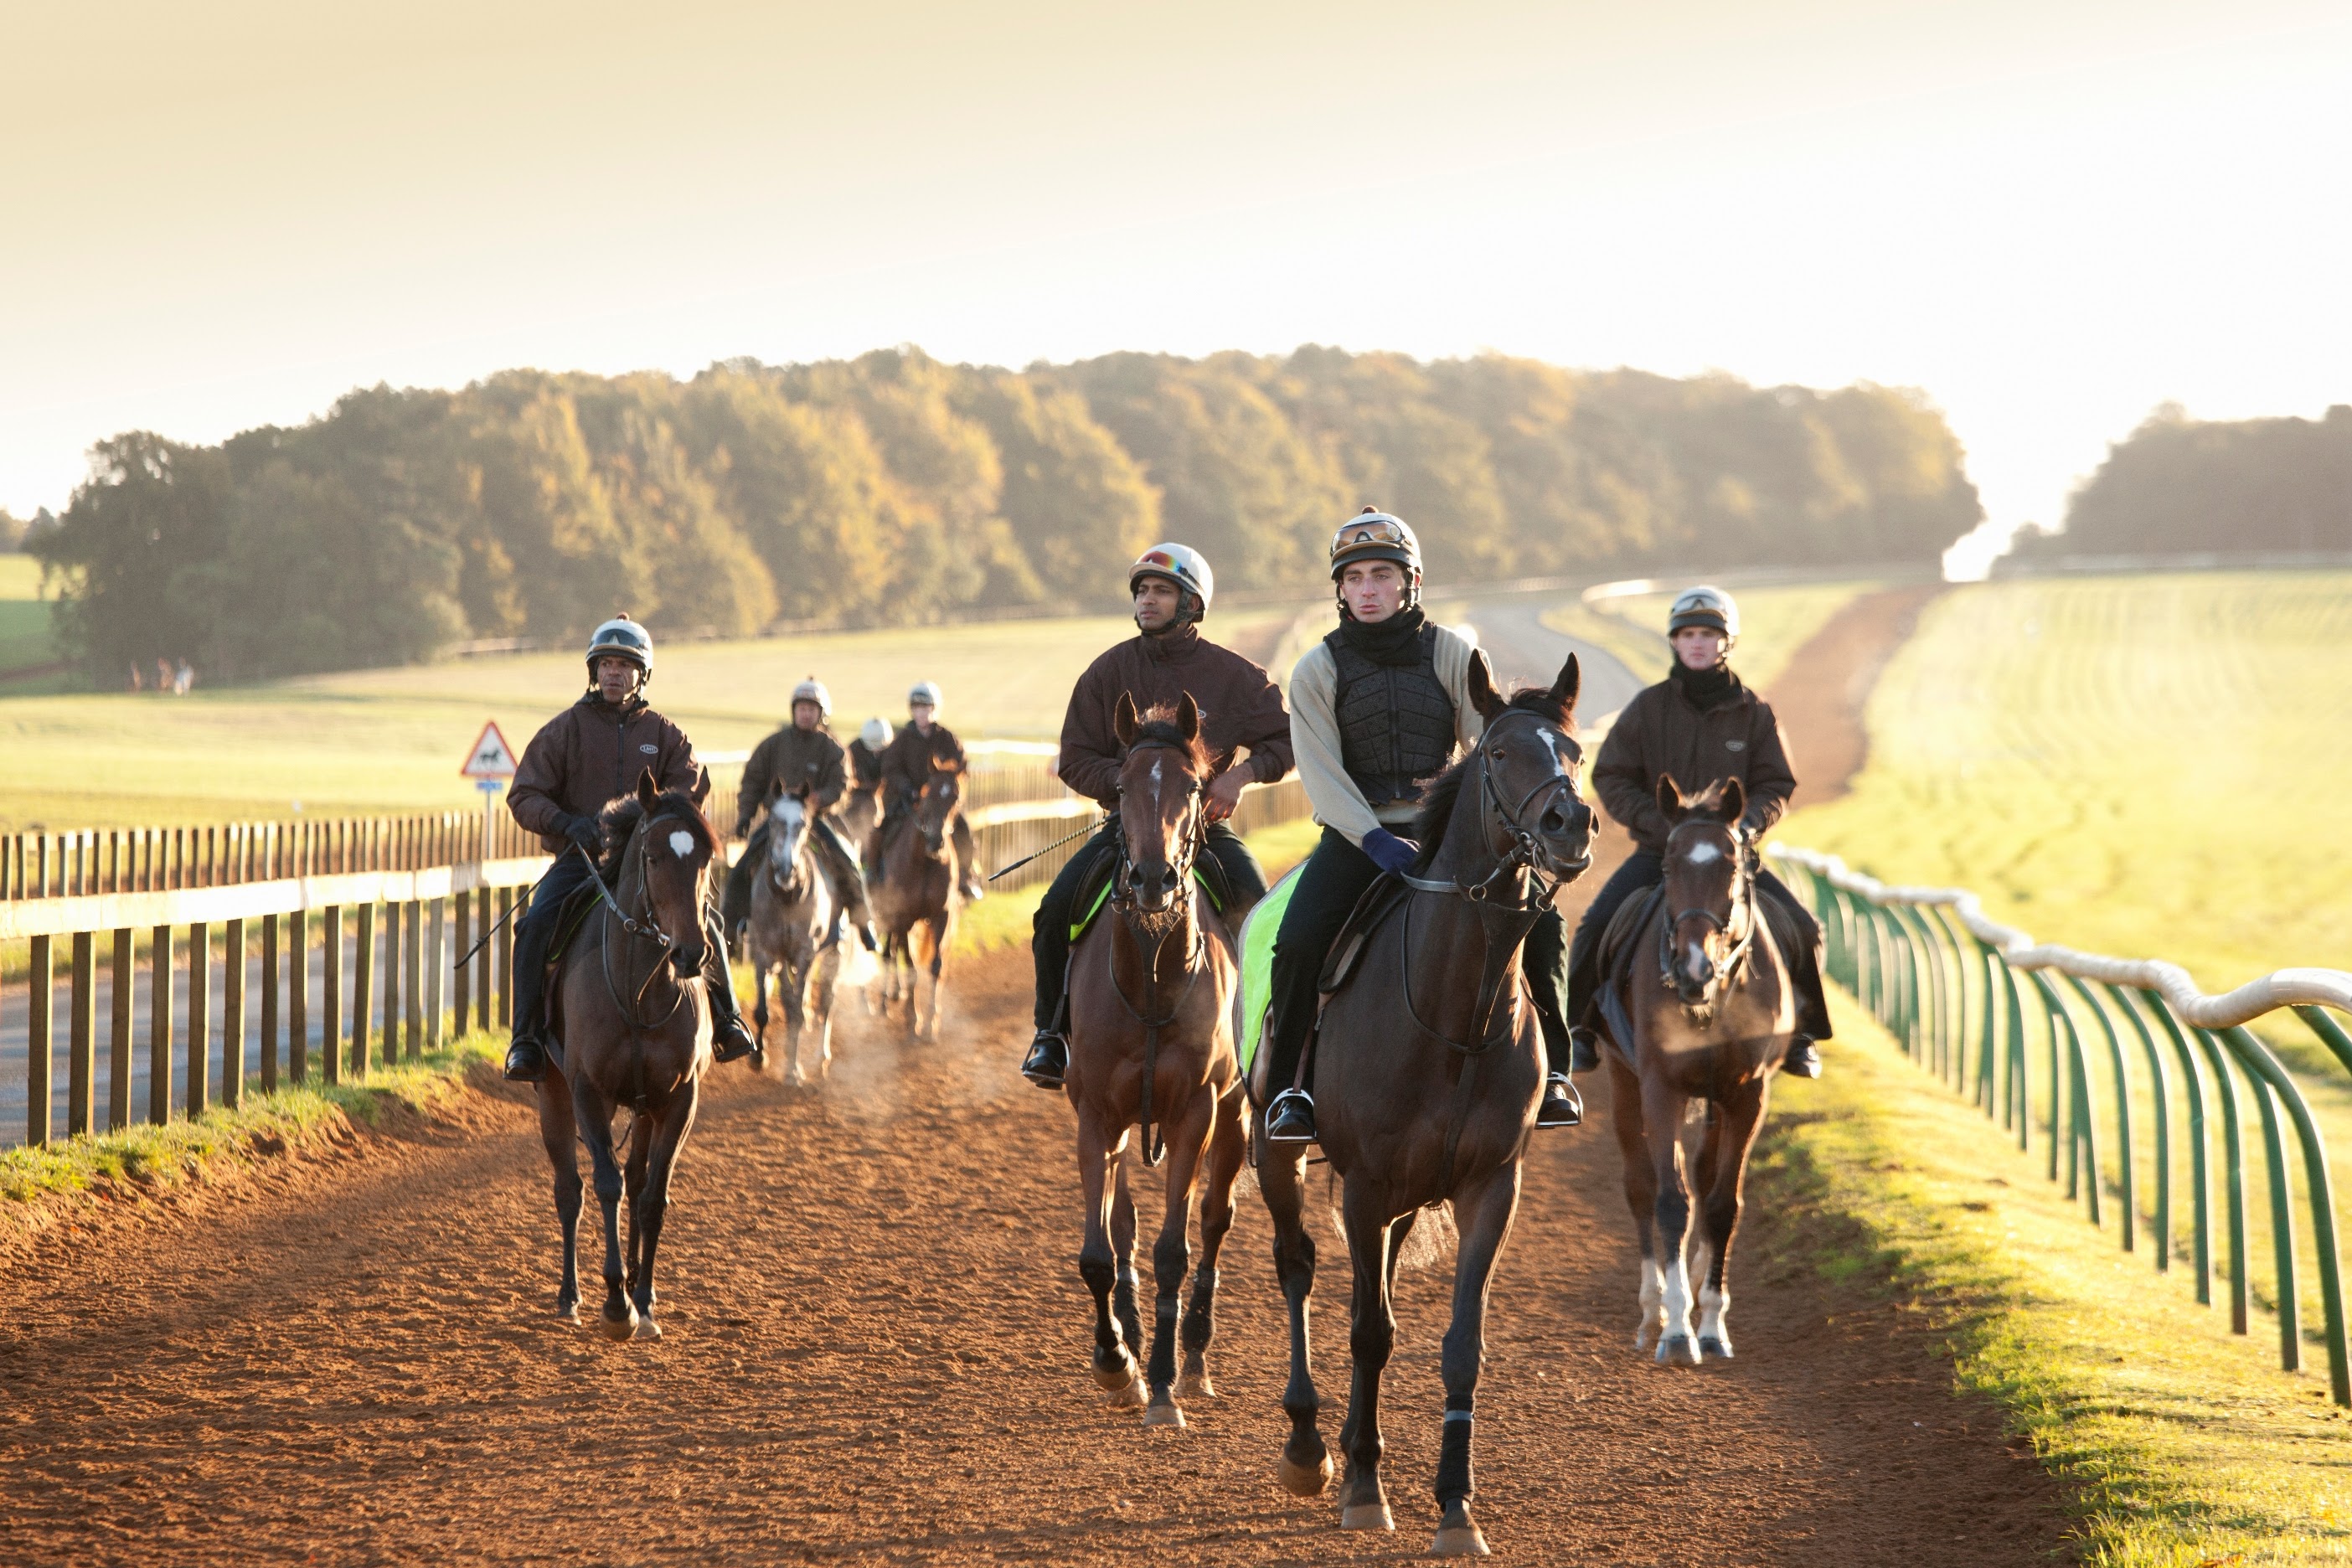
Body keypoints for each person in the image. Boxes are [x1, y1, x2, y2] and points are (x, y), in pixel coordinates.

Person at [1261, 508, 1583, 1143]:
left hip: (1450, 836)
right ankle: (1289, 1092)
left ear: (1411, 582)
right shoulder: (1315, 671)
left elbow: (1487, 747)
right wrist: (1375, 838)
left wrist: (1491, 828)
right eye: (1354, 579)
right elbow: (1320, 772)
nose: (1369, 590)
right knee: (1297, 942)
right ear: (1341, 590)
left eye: (1383, 575)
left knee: (1544, 925)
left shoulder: (1454, 653)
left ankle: (1556, 1077)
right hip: (1361, 839)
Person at [1019, 544, 1295, 1090]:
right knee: (1052, 914)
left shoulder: (1235, 677)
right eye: (1142, 590)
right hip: (1125, 835)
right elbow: (1075, 758)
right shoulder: (1107, 672)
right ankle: (1050, 1036)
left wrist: (1238, 778)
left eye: (1161, 591)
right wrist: (1129, 789)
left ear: (1192, 603)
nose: (1147, 600)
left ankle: (1270, 1044)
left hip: (1207, 834)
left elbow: (1287, 740)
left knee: (1263, 926)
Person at [1562, 585, 1830, 1078]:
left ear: (1726, 642)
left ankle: (1803, 1034)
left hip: (1731, 859)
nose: (1698, 643)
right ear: (1675, 642)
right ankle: (1579, 1032)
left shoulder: (1755, 712)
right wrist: (1659, 825)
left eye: (1709, 634)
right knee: (1593, 928)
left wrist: (1744, 830)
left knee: (1805, 929)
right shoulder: (1647, 708)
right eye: (1687, 634)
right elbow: (1611, 775)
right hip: (1660, 855)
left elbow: (1776, 783)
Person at [502, 614, 759, 1082]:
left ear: (642, 675)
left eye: (624, 665)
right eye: (605, 665)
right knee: (536, 924)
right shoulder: (565, 730)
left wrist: (657, 816)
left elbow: (690, 786)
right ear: (593, 672)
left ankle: (727, 1020)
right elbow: (523, 795)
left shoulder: (664, 735)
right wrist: (563, 822)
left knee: (709, 922)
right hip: (582, 862)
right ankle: (525, 1040)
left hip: (652, 865)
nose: (614, 673)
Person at [722, 676, 876, 952]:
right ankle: (732, 928)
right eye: (801, 708)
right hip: (778, 821)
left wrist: (820, 799)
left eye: (811, 709)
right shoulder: (772, 744)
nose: (805, 714)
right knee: (742, 866)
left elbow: (842, 785)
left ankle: (864, 924)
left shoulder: (833, 749)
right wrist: (746, 815)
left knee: (848, 863)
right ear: (793, 711)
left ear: (821, 714)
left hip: (816, 820)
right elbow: (752, 781)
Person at [871, 681, 985, 903]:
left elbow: (961, 769)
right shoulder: (903, 739)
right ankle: (875, 874)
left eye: (926, 707)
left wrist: (946, 792)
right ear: (911, 710)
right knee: (881, 828)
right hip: (909, 800)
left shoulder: (948, 739)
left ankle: (966, 875)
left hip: (940, 803)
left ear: (934, 709)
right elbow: (890, 768)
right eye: (917, 707)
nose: (921, 712)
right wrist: (907, 789)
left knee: (963, 829)